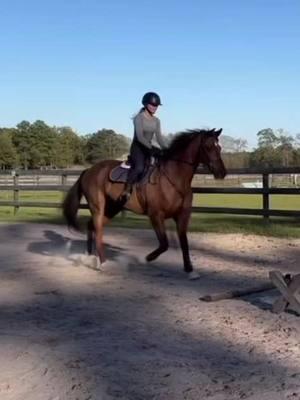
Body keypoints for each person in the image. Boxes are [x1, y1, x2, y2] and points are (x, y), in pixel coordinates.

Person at [119, 91, 167, 202]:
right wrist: (153, 148)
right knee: (139, 167)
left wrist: (167, 150)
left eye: (156, 105)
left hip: (149, 149)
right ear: (145, 104)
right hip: (138, 148)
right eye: (152, 105)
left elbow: (159, 138)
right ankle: (127, 189)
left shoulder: (156, 121)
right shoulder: (138, 118)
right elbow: (140, 137)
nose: (155, 107)